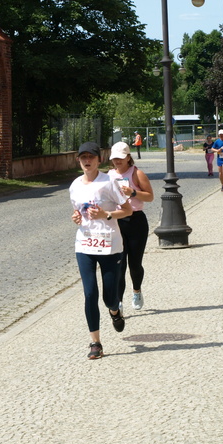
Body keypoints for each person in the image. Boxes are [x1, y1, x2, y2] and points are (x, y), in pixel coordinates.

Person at [70, 142, 134, 359]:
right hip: (85, 244)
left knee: (109, 298)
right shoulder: (75, 185)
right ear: (78, 160)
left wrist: (105, 215)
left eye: (91, 157)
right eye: (83, 157)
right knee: (89, 293)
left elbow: (127, 211)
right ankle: (95, 342)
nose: (87, 161)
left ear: (99, 160)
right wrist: (76, 217)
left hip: (109, 245)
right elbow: (78, 211)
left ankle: (115, 311)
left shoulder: (109, 182)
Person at [108, 141, 154, 311]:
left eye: (120, 158)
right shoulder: (109, 175)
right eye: (115, 158)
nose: (117, 162)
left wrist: (133, 192)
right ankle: (118, 301)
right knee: (119, 264)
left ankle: (137, 291)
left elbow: (150, 197)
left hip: (136, 221)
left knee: (134, 264)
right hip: (117, 221)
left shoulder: (137, 173)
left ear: (128, 157)